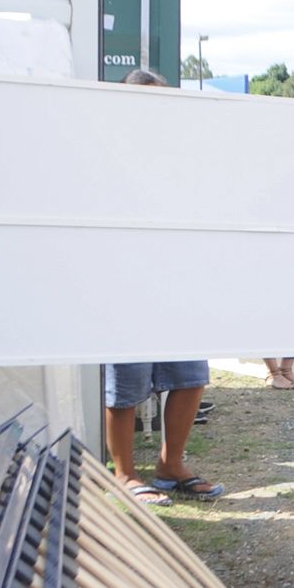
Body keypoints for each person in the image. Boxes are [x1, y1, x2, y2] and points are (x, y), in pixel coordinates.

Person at [103, 69, 224, 505]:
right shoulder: (108, 153)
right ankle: (124, 474)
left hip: (177, 279)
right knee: (126, 382)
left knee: (191, 376)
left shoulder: (178, 157)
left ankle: (171, 465)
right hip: (125, 281)